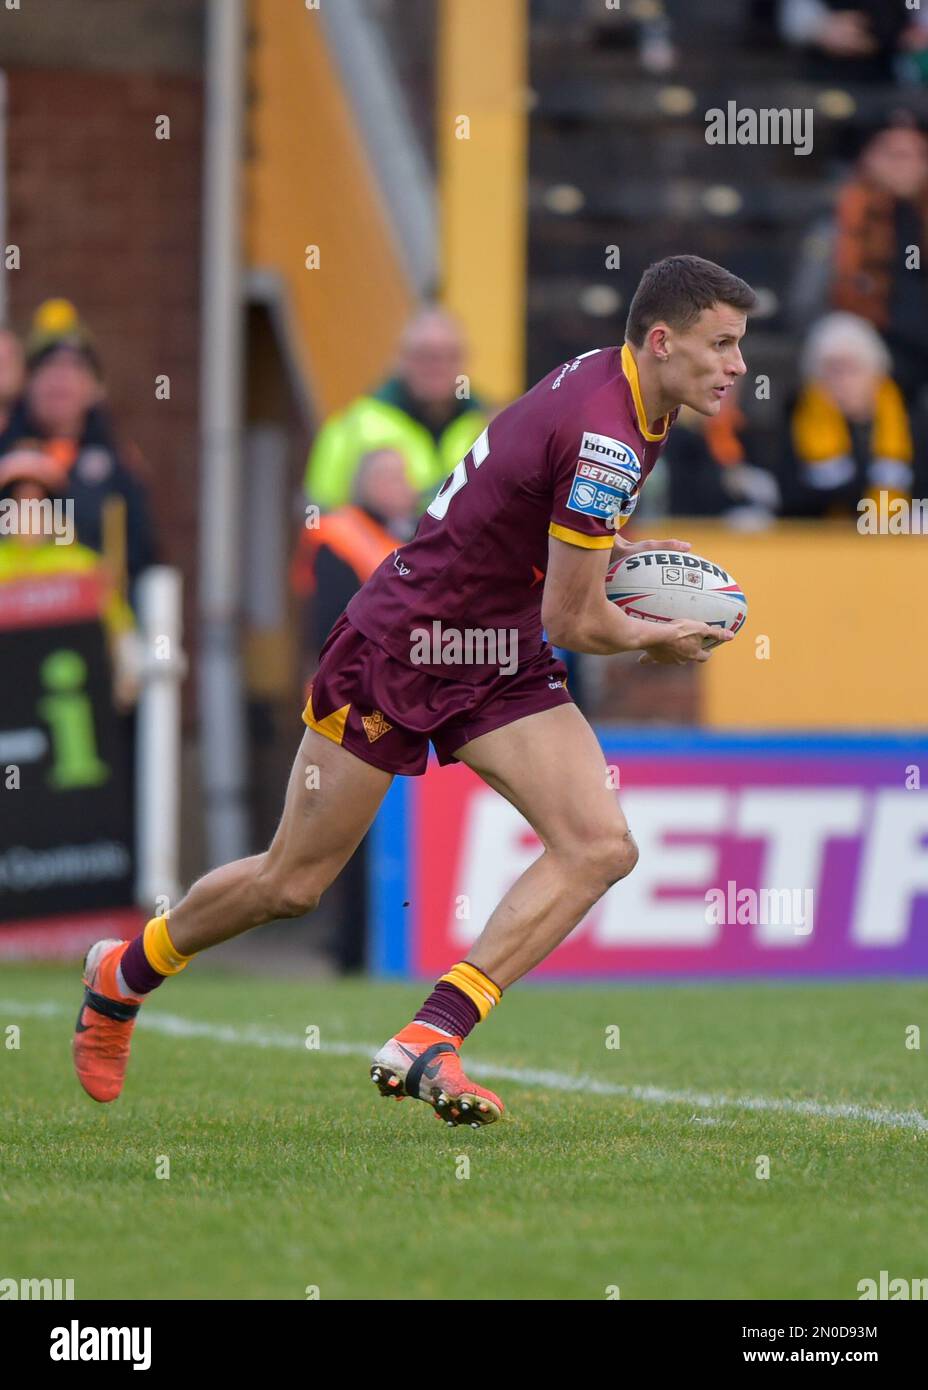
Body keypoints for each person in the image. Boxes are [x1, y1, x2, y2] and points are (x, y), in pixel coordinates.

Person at [72, 255, 752, 1126]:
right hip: (400, 646)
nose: (737, 365)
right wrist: (661, 636)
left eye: (739, 346)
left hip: (496, 653)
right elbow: (578, 623)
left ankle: (432, 1035)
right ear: (662, 341)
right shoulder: (609, 436)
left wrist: (611, 561)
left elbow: (528, 521)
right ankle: (123, 974)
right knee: (292, 883)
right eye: (722, 344)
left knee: (599, 845)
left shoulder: (623, 392)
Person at [289, 447, 418, 973]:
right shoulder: (339, 535)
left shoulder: (403, 540)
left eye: (404, 477)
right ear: (363, 484)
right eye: (388, 477)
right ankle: (346, 948)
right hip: (347, 704)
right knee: (340, 832)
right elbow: (331, 627)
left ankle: (368, 949)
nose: (399, 487)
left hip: (396, 705)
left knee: (377, 834)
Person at [0, 299, 158, 599]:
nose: (60, 379)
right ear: (27, 382)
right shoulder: (7, 459)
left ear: (95, 386)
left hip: (91, 631)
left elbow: (142, 563)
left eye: (74, 367)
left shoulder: (119, 469)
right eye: (46, 367)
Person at [303, 307, 489, 512]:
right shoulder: (351, 427)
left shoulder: (487, 426)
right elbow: (321, 518)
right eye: (425, 355)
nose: (438, 367)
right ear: (402, 359)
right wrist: (370, 511)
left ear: (465, 360)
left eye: (449, 356)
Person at [0, 444, 139, 710]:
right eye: (19, 501)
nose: (28, 511)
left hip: (70, 704)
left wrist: (127, 660)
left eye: (38, 501)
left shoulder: (81, 565)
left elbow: (117, 623)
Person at [782, 312, 913, 517]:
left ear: (875, 372)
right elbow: (790, 499)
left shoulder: (910, 417)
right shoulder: (798, 418)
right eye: (833, 370)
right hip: (824, 541)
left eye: (852, 369)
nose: (843, 381)